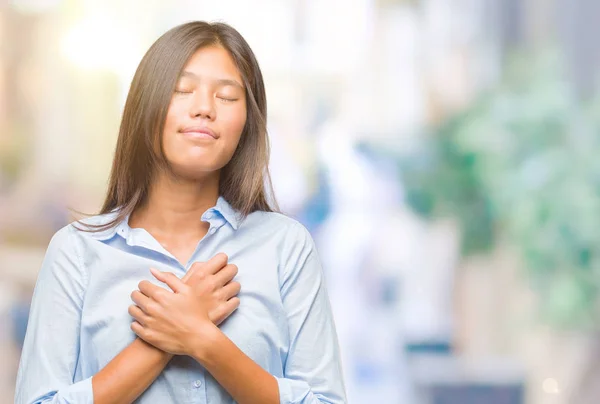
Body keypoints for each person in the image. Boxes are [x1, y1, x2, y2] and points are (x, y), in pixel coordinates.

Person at [15, 21, 347, 404]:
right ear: (146, 106)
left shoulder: (286, 247)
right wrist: (163, 340)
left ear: (247, 123)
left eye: (226, 96)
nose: (204, 109)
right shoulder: (75, 253)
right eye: (182, 90)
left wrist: (204, 341)